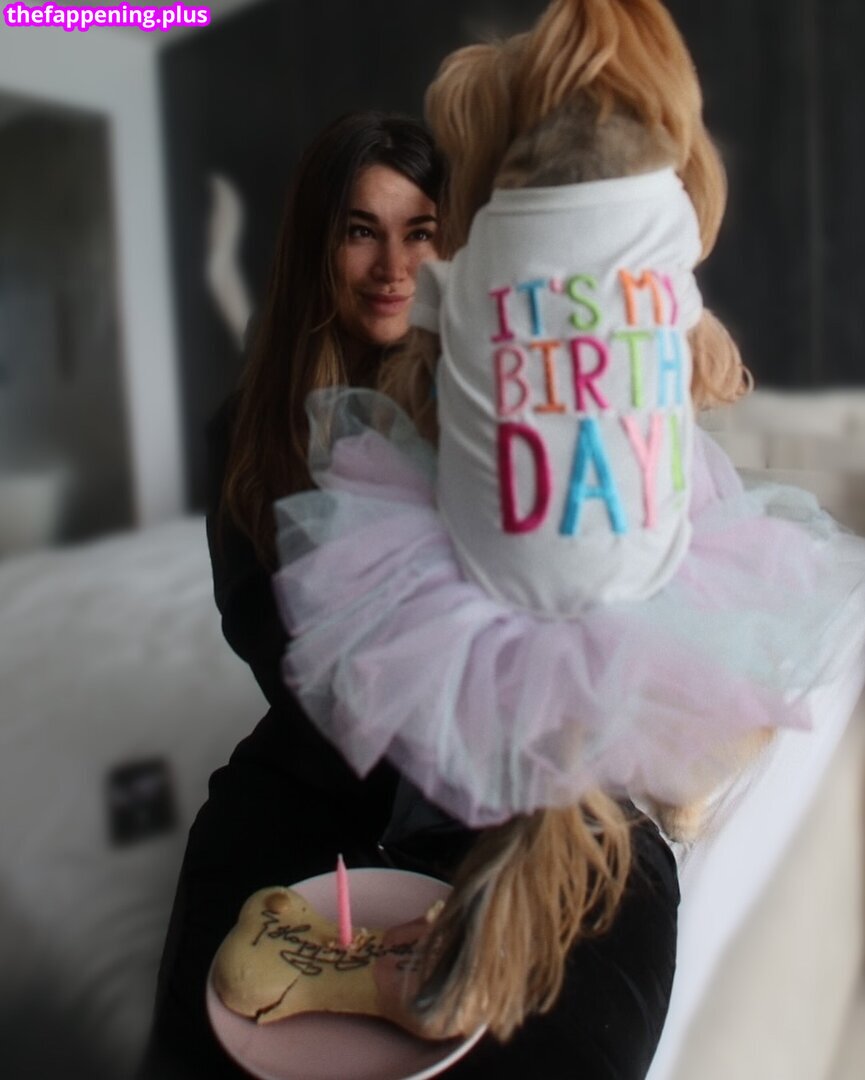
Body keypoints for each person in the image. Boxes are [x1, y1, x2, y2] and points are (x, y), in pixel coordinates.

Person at [138, 110, 680, 1080]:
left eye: (420, 231)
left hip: (510, 764)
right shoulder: (250, 430)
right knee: (213, 999)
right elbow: (273, 643)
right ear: (318, 246)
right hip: (328, 765)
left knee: (587, 983)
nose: (392, 266)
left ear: (452, 242)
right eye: (361, 230)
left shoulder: (495, 396)